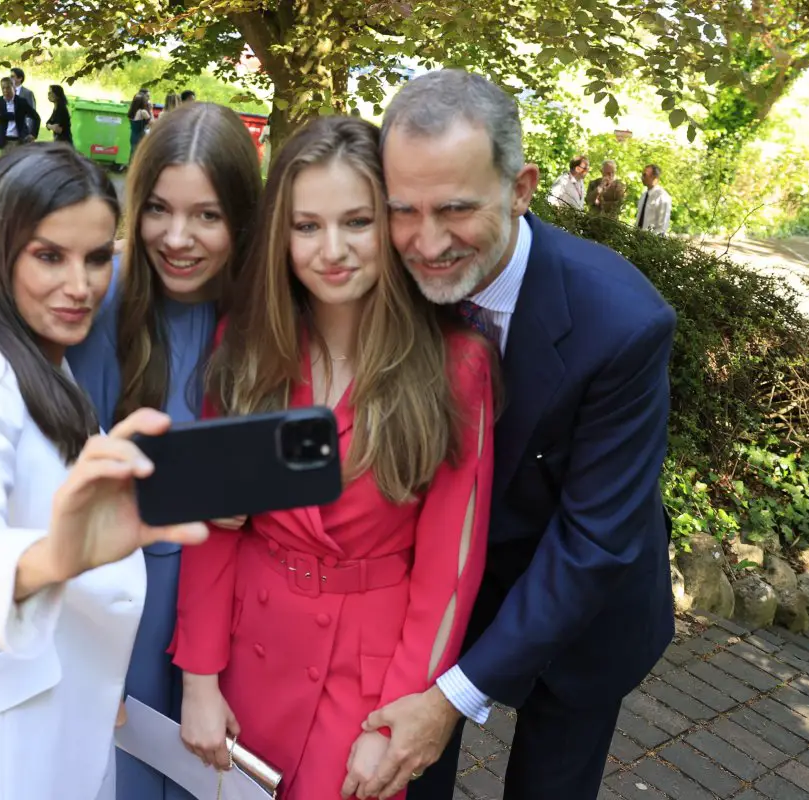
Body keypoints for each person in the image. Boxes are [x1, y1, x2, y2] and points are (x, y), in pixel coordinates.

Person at [361, 68, 676, 800]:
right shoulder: (393, 282)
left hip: (584, 611)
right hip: (440, 599)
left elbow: (594, 539)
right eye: (402, 210)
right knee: (407, 771)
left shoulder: (623, 323)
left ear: (523, 187)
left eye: (456, 210)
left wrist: (455, 697)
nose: (426, 243)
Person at [172, 115, 495, 800]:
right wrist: (199, 679)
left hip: (368, 677)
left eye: (356, 222)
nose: (332, 250)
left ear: (390, 225)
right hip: (249, 653)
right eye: (307, 226)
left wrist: (400, 717)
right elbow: (212, 529)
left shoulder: (453, 366)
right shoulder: (249, 346)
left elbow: (449, 572)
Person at [0, 143, 210, 800]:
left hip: (56, 716)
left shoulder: (36, 352)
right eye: (49, 255)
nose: (81, 284)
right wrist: (57, 554)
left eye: (95, 257)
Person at [67, 101, 263, 800]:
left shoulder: (270, 315)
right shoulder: (101, 302)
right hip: (128, 612)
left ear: (243, 216)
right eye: (158, 209)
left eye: (207, 215)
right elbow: (65, 477)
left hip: (238, 615)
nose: (177, 238)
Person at [0, 76, 40, 151]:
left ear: (13, 87)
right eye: (3, 88)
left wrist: (33, 134)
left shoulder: (21, 102)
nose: (5, 90)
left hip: (19, 140)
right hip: (5, 141)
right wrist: (11, 115)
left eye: (8, 88)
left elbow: (36, 117)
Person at [636, 164, 672, 234]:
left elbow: (662, 227)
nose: (642, 177)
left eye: (645, 175)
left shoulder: (663, 197)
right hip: (637, 240)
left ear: (654, 177)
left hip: (651, 241)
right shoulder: (643, 196)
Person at [127, 89, 152, 162]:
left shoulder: (131, 111)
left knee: (133, 154)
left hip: (133, 136)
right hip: (141, 137)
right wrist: (150, 110)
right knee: (139, 156)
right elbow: (153, 123)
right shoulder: (143, 112)